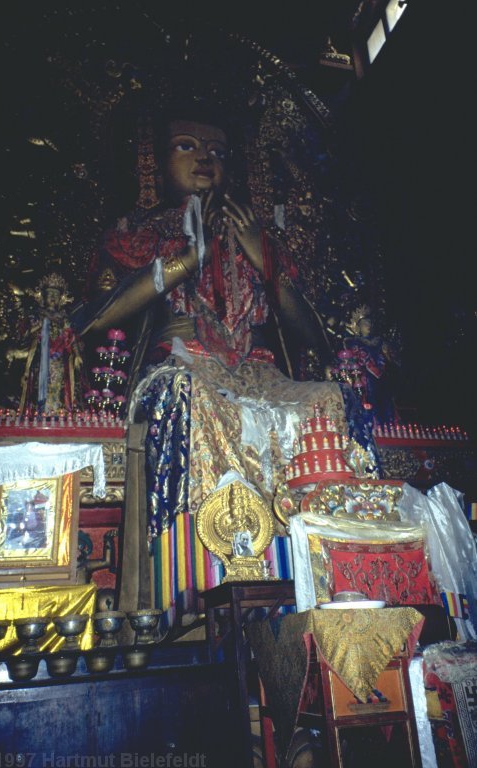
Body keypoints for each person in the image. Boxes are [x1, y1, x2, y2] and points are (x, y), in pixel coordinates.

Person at [72, 99, 377, 627]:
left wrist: (265, 256)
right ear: (153, 159)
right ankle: (198, 578)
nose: (205, 160)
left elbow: (314, 339)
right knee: (190, 396)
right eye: (186, 147)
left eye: (217, 150)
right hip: (183, 362)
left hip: (256, 369)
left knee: (328, 398)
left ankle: (330, 569)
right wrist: (178, 266)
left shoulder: (253, 231)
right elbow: (93, 320)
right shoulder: (135, 230)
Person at [5, 272, 85, 416]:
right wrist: (38, 326)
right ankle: (36, 411)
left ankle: (57, 411)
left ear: (61, 298)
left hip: (59, 359)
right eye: (49, 294)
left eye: (56, 294)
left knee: (59, 385)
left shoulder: (64, 318)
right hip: (40, 358)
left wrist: (77, 355)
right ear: (42, 296)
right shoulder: (36, 315)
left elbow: (71, 338)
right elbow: (24, 334)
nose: (53, 297)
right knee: (37, 385)